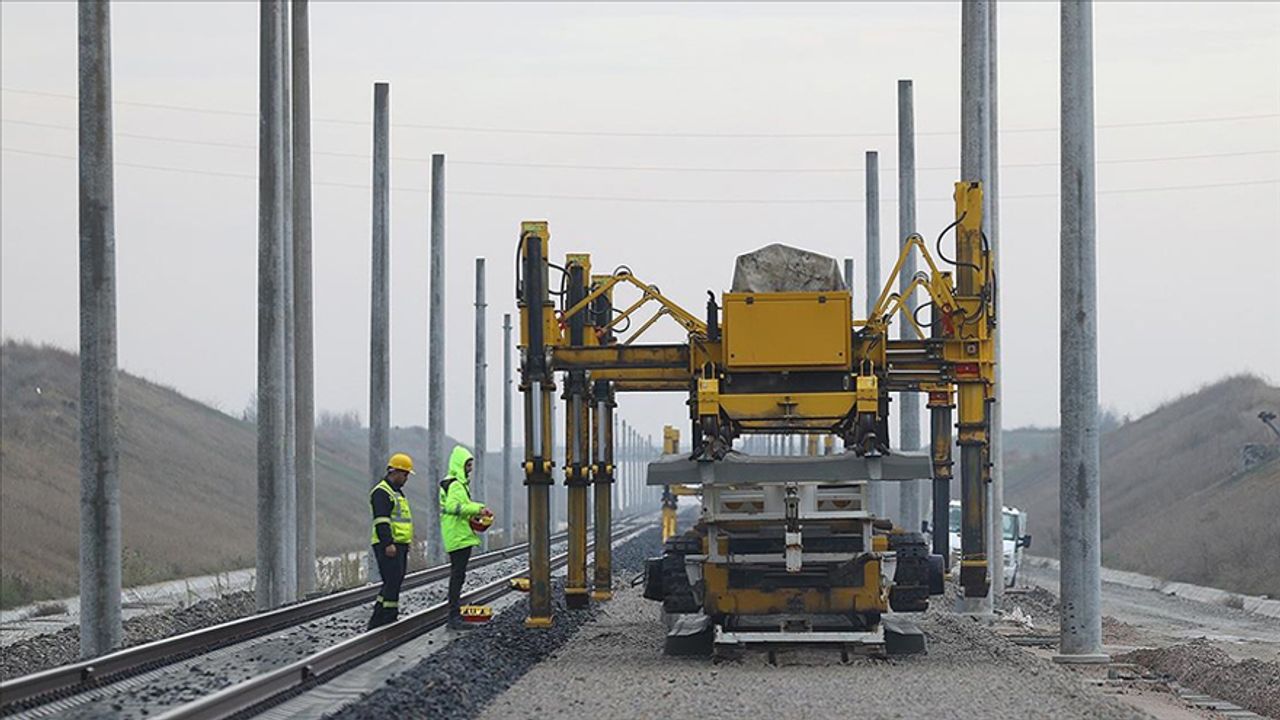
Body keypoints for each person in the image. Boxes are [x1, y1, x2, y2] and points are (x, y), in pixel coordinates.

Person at [439, 445, 491, 630]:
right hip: (457, 535)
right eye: (468, 465)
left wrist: (476, 509)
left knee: (458, 574)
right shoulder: (455, 485)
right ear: (459, 465)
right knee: (457, 574)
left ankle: (454, 613)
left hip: (459, 534)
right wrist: (478, 509)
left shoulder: (456, 484)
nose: (470, 468)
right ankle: (453, 616)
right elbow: (454, 507)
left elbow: (460, 506)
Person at [368, 452, 415, 630]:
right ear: (394, 472)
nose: (406, 478)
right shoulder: (382, 492)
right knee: (393, 581)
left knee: (393, 581)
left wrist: (404, 542)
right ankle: (389, 618)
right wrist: (388, 543)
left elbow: (401, 521)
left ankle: (377, 620)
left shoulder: (397, 492)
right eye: (405, 474)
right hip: (388, 545)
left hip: (398, 544)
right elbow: (381, 520)